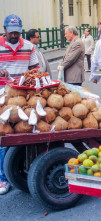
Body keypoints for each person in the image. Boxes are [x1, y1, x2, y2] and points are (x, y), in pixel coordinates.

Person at [0, 14, 40, 195]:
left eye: (17, 32)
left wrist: (34, 80)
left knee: (25, 132)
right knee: (4, 136)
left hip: (24, 95)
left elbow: (36, 70)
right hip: (3, 96)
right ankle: (2, 178)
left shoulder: (29, 46)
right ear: (4, 30)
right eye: (11, 32)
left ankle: (20, 169)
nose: (14, 36)